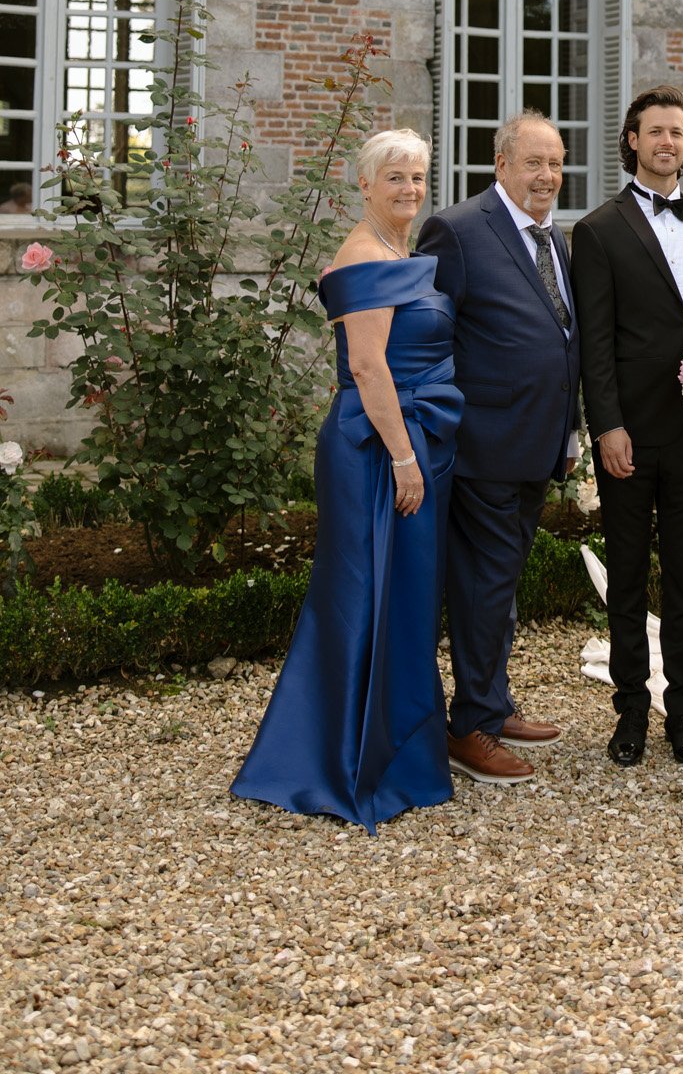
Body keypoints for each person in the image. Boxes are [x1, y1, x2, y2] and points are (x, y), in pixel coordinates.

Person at [231, 129, 463, 832]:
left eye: (418, 177)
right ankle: (340, 764)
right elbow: (367, 368)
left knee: (406, 597)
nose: (409, 190)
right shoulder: (363, 259)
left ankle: (397, 751)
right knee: (364, 594)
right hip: (375, 449)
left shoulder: (403, 254)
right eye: (395, 177)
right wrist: (401, 456)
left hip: (413, 439)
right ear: (363, 183)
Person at [417, 111, 580, 788]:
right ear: (501, 165)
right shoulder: (456, 231)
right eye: (533, 163)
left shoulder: (556, 240)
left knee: (502, 583)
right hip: (484, 445)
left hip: (539, 443)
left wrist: (569, 429)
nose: (546, 176)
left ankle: (493, 701)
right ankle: (469, 728)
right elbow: (426, 336)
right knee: (484, 586)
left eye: (555, 163)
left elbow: (561, 341)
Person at [571, 83, 683, 769]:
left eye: (679, 132)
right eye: (656, 131)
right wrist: (606, 425)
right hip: (629, 434)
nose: (669, 142)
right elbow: (594, 343)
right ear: (632, 140)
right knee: (628, 577)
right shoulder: (598, 230)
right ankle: (630, 712)